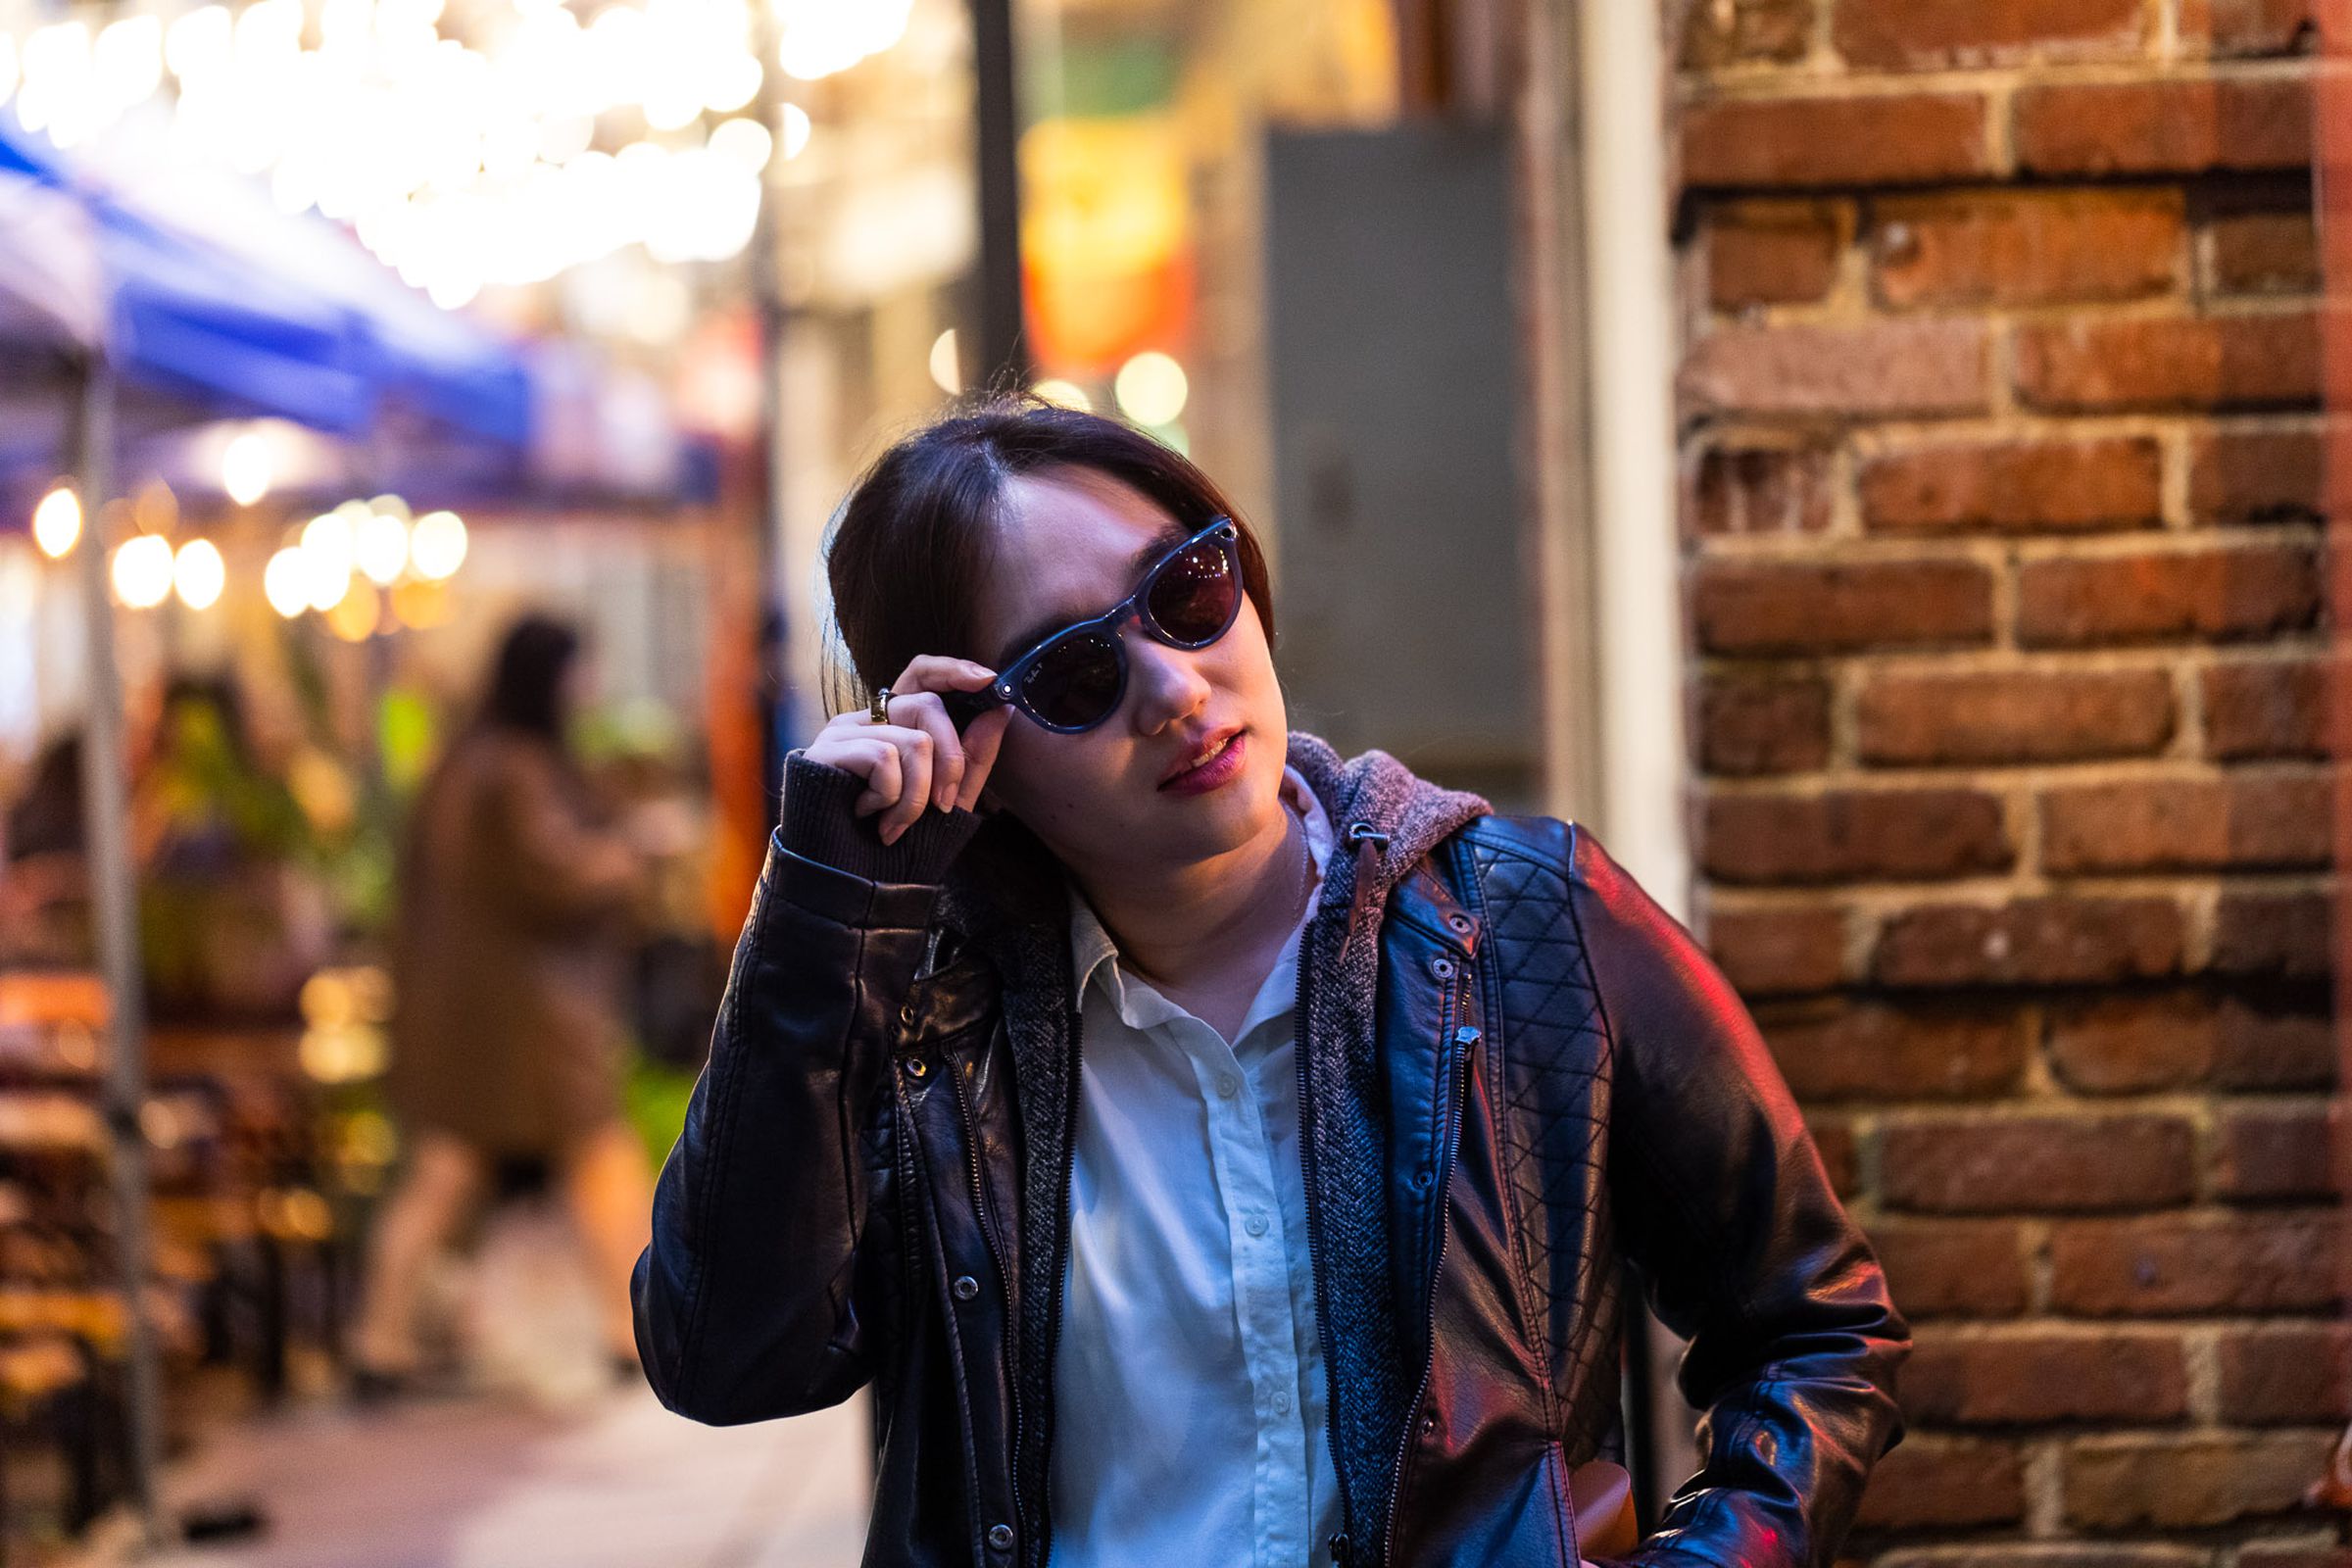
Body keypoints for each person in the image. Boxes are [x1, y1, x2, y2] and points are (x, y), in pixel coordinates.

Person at [632, 394, 1909, 1567]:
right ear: (977, 754)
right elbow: (726, 1358)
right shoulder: (925, 1028)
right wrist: (825, 908)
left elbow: (1814, 1326)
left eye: (1187, 591)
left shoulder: (1528, 924)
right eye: (1073, 674)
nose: (1173, 688)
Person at [355, 614, 654, 1396]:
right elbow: (552, 875)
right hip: (528, 1020)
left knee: (449, 1168)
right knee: (599, 1155)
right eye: (578, 671)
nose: (587, 689)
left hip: (472, 1016)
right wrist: (627, 859)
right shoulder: (513, 769)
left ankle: (380, 1340)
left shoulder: (466, 759)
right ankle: (638, 1331)